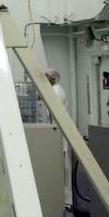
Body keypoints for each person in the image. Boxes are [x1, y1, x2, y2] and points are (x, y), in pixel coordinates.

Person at [45, 69, 71, 209]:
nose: (45, 78)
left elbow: (53, 110)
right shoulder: (53, 90)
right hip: (56, 132)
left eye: (47, 76)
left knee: (62, 166)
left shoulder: (57, 90)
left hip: (59, 133)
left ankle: (65, 200)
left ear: (54, 78)